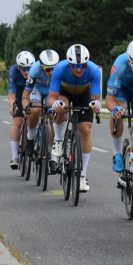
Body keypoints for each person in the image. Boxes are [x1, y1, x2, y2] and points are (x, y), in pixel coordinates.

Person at [47, 43, 103, 193]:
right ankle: (58, 139)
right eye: (74, 66)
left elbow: (97, 99)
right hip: (64, 92)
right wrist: (55, 105)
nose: (78, 69)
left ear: (87, 64)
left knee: (85, 130)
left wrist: (96, 105)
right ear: (69, 63)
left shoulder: (93, 70)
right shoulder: (60, 68)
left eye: (82, 66)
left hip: (83, 95)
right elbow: (51, 99)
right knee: (61, 106)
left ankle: (82, 175)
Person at [106, 38, 133, 174]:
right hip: (123, 92)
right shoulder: (120, 64)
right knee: (119, 111)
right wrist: (115, 110)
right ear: (129, 61)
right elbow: (109, 100)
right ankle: (117, 153)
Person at [22, 49, 59, 160]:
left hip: (50, 91)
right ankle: (30, 137)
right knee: (36, 110)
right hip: (36, 90)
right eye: (48, 69)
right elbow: (26, 93)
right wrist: (26, 107)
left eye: (53, 69)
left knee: (54, 116)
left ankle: (51, 151)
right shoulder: (34, 69)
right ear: (42, 67)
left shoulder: (60, 70)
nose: (51, 72)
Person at [7, 51, 35, 170]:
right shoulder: (13, 72)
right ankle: (15, 157)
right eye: (24, 68)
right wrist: (13, 106)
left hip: (32, 94)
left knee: (37, 117)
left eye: (29, 68)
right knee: (18, 122)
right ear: (18, 67)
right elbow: (11, 94)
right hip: (19, 94)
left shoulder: (36, 72)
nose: (27, 71)